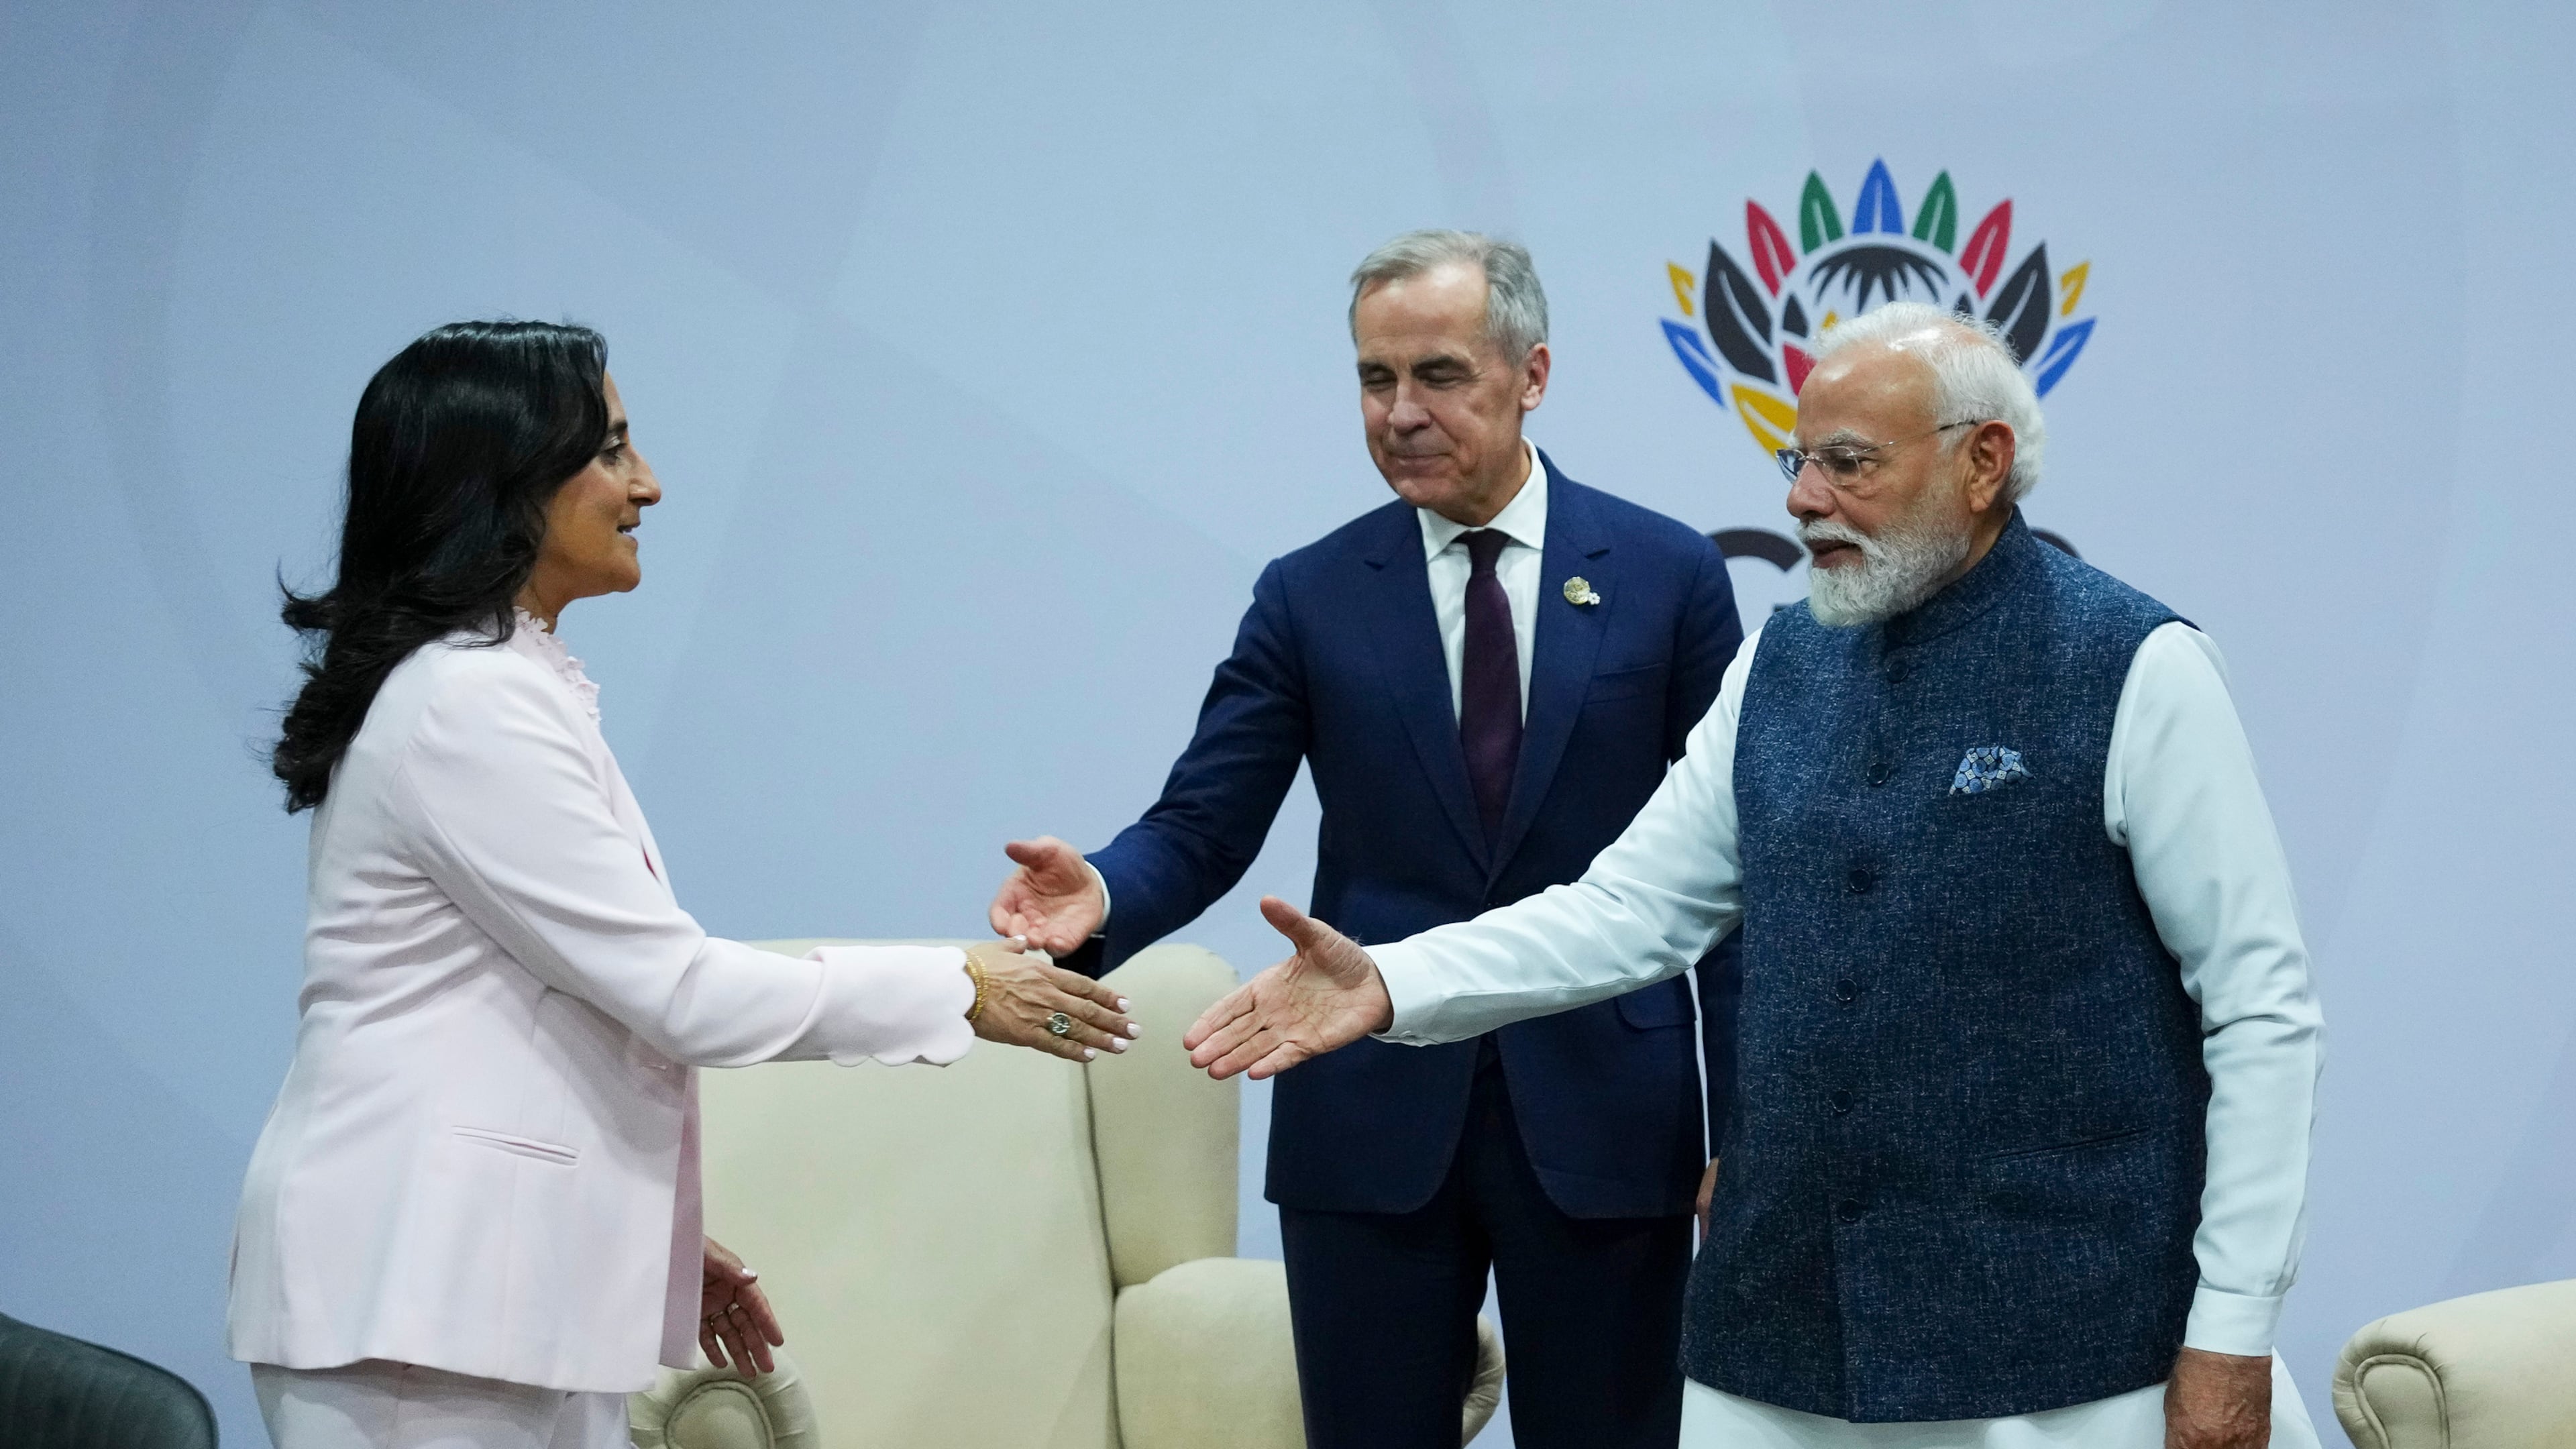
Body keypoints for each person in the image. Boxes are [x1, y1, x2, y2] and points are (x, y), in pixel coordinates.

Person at [1183, 301, 2326, 1449]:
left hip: (2073, 1348)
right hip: (1776, 1343)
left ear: (1983, 463)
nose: (1801, 499)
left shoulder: (2136, 667)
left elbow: (2260, 1011)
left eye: (1848, 463)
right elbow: (1626, 911)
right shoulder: (1782, 664)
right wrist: (1390, 984)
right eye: (1797, 459)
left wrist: (2232, 1326)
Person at [229, 321, 1138, 1449]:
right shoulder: (469, 703)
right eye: (610, 450)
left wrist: (638, 1234)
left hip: (474, 1292)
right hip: (420, 1294)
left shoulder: (497, 684)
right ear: (505, 480)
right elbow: (677, 991)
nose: (648, 484)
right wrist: (959, 985)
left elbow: (536, 1020)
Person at [989, 231, 1744, 1449]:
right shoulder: (1312, 592)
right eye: (1373, 379)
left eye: (1439, 374)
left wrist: (1749, 1131)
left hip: (1609, 1118)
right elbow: (1202, 823)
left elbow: (1731, 885)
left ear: (1531, 374)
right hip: (1371, 1124)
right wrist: (1103, 901)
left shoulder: (1668, 575)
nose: (1400, 413)